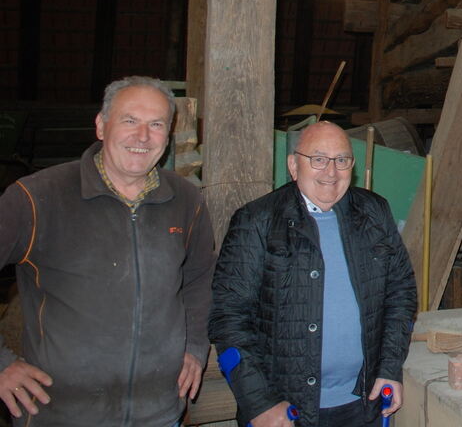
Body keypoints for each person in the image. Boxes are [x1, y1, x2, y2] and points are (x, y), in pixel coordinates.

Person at [0, 76, 216, 426]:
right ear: (101, 126)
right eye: (130, 120)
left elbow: (199, 279)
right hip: (60, 414)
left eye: (156, 124)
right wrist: (2, 366)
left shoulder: (186, 200)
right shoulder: (36, 197)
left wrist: (193, 347)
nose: (142, 136)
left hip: (159, 413)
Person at [209, 121, 416, 427]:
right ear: (294, 166)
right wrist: (259, 402)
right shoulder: (257, 221)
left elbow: (401, 294)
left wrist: (389, 368)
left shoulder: (374, 212)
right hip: (285, 410)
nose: (331, 172)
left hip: (364, 403)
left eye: (341, 160)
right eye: (318, 159)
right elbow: (228, 317)